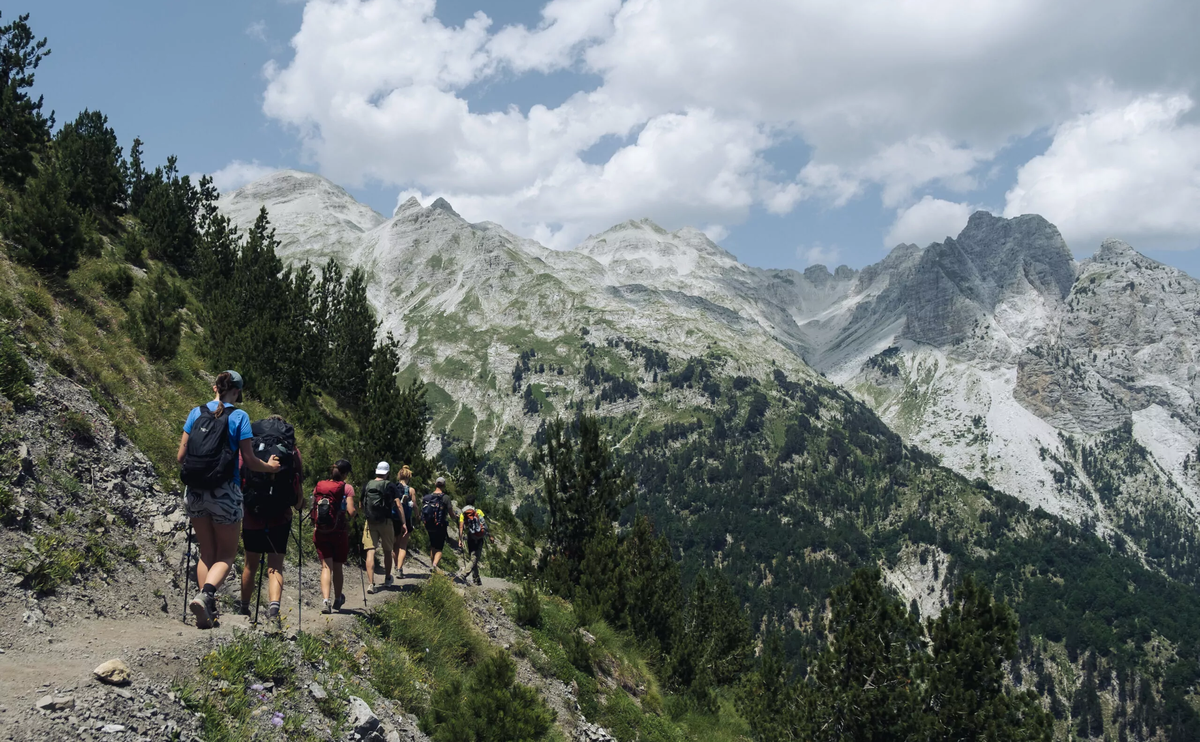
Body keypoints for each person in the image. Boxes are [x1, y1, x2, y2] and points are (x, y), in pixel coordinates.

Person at [177, 370, 281, 629]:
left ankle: (206, 608)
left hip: (195, 492)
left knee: (206, 553)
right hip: (225, 493)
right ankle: (205, 596)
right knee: (226, 554)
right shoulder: (239, 416)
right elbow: (249, 460)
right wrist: (270, 467)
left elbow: (181, 456)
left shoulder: (195, 412)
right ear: (237, 391)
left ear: (215, 388)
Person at [237, 415, 303, 631]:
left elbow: (240, 475)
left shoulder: (251, 445)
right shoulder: (292, 451)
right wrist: (299, 503)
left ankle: (244, 609)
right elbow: (297, 484)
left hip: (252, 511)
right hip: (280, 514)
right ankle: (273, 612)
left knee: (250, 565)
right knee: (275, 567)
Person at [312, 459, 356, 613]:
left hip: (321, 530)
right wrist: (355, 512)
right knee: (337, 567)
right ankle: (338, 598)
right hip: (338, 531)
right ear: (344, 474)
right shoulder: (347, 488)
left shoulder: (320, 485)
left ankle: (325, 600)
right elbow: (351, 512)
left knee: (325, 566)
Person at [362, 461, 402, 593]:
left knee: (370, 551)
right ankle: (387, 578)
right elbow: (398, 504)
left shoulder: (368, 484)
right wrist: (403, 522)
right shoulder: (390, 485)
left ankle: (371, 583)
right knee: (387, 551)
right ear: (387, 472)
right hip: (386, 522)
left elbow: (361, 503)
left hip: (370, 522)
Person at [455, 495, 492, 586]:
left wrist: (460, 539)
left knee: (473, 557)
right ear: (473, 503)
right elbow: (484, 524)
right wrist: (490, 536)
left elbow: (461, 527)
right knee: (475, 558)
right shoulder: (478, 511)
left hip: (470, 537)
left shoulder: (463, 514)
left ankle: (476, 579)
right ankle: (463, 575)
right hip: (479, 537)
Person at [421, 476, 454, 573]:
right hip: (440, 526)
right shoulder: (446, 498)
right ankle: (435, 565)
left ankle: (433, 566)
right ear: (444, 486)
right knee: (439, 548)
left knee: (433, 546)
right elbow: (451, 514)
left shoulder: (427, 497)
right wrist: (455, 517)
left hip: (429, 526)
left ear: (435, 484)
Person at [392, 465, 416, 578]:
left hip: (394, 519)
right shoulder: (411, 490)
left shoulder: (393, 488)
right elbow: (414, 505)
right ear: (408, 477)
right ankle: (399, 569)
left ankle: (395, 566)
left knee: (395, 545)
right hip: (406, 519)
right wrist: (418, 514)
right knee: (403, 545)